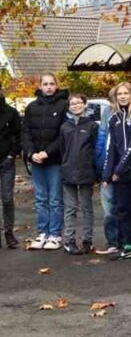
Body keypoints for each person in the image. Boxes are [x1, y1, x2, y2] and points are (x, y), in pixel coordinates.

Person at [23, 73, 69, 250]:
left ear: (56, 86)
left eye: (51, 84)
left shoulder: (64, 105)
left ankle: (55, 235)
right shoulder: (31, 107)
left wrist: (47, 153)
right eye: (45, 84)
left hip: (54, 161)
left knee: (55, 199)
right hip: (36, 161)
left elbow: (63, 135)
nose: (48, 87)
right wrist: (31, 152)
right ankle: (42, 233)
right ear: (40, 86)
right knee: (40, 199)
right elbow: (25, 132)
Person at [102, 82, 131, 260]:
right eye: (119, 94)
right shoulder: (113, 119)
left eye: (125, 93)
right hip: (119, 174)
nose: (122, 97)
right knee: (122, 209)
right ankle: (126, 244)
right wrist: (107, 173)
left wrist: (119, 169)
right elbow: (110, 147)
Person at [57, 93, 98, 255]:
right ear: (69, 107)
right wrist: (64, 165)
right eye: (72, 104)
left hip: (86, 171)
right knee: (70, 208)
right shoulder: (64, 127)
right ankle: (69, 240)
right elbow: (62, 149)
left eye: (79, 103)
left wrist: (96, 171)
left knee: (87, 207)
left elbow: (96, 149)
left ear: (85, 104)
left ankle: (87, 239)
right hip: (68, 171)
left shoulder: (92, 126)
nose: (76, 106)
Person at [93, 91, 119, 256]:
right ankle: (113, 242)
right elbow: (101, 139)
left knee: (124, 207)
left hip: (123, 167)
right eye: (112, 99)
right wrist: (99, 165)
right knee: (109, 208)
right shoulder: (107, 113)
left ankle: (126, 241)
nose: (115, 101)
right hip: (106, 167)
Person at [0, 84, 22, 249]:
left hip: (6, 162)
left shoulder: (10, 112)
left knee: (7, 198)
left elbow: (19, 134)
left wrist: (11, 154)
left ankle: (9, 232)